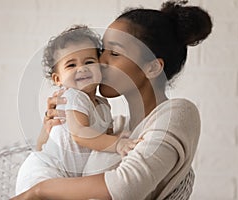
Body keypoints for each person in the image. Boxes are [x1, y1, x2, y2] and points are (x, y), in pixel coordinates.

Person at [11, 1, 212, 199]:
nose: (100, 62)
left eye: (114, 53)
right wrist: (52, 129)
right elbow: (55, 158)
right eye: (101, 52)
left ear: (152, 67)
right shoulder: (113, 127)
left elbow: (126, 188)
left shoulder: (177, 113)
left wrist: (40, 191)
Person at [15, 25, 138, 195]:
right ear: (58, 79)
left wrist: (115, 138)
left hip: (67, 178)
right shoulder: (73, 97)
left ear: (100, 68)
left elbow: (103, 140)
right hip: (45, 172)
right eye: (71, 65)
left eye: (89, 62)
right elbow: (80, 133)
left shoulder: (103, 105)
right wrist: (118, 144)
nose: (82, 68)